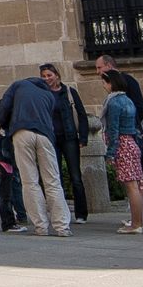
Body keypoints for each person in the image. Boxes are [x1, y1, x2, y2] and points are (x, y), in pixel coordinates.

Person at [0, 67, 71, 236]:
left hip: (22, 132)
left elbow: (4, 106)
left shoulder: (18, 85)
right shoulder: (49, 95)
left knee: (30, 182)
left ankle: (41, 226)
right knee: (53, 182)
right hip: (46, 135)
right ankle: (62, 226)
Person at [95, 53, 143, 228]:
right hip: (132, 141)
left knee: (132, 187)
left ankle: (137, 223)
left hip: (123, 144)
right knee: (137, 184)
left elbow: (113, 129)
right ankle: (139, 221)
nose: (99, 75)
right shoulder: (127, 101)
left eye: (100, 69)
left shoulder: (114, 102)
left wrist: (110, 153)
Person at [45, 62, 92, 224]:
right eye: (44, 76)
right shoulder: (44, 93)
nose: (47, 79)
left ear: (57, 75)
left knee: (75, 176)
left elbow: (81, 114)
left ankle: (81, 213)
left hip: (69, 137)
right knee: (55, 177)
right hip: (52, 139)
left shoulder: (69, 92)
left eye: (49, 75)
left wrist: (83, 137)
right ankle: (60, 211)